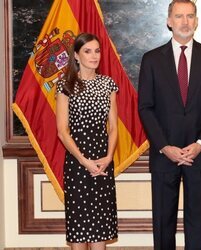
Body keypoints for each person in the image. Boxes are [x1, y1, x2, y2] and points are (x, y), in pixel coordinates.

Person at [138, 0, 201, 249]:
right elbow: (145, 108)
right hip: (164, 155)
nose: (184, 22)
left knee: (197, 224)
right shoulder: (151, 60)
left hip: (198, 154)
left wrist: (199, 145)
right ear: (169, 21)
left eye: (190, 16)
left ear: (197, 21)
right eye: (179, 16)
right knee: (163, 224)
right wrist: (165, 146)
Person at [56, 33, 118, 250]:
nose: (94, 56)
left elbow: (113, 127)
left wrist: (109, 157)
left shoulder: (108, 84)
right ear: (76, 55)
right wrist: (84, 161)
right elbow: (62, 132)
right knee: (79, 231)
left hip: (103, 163)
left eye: (97, 51)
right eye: (88, 51)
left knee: (99, 230)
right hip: (77, 163)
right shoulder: (66, 85)